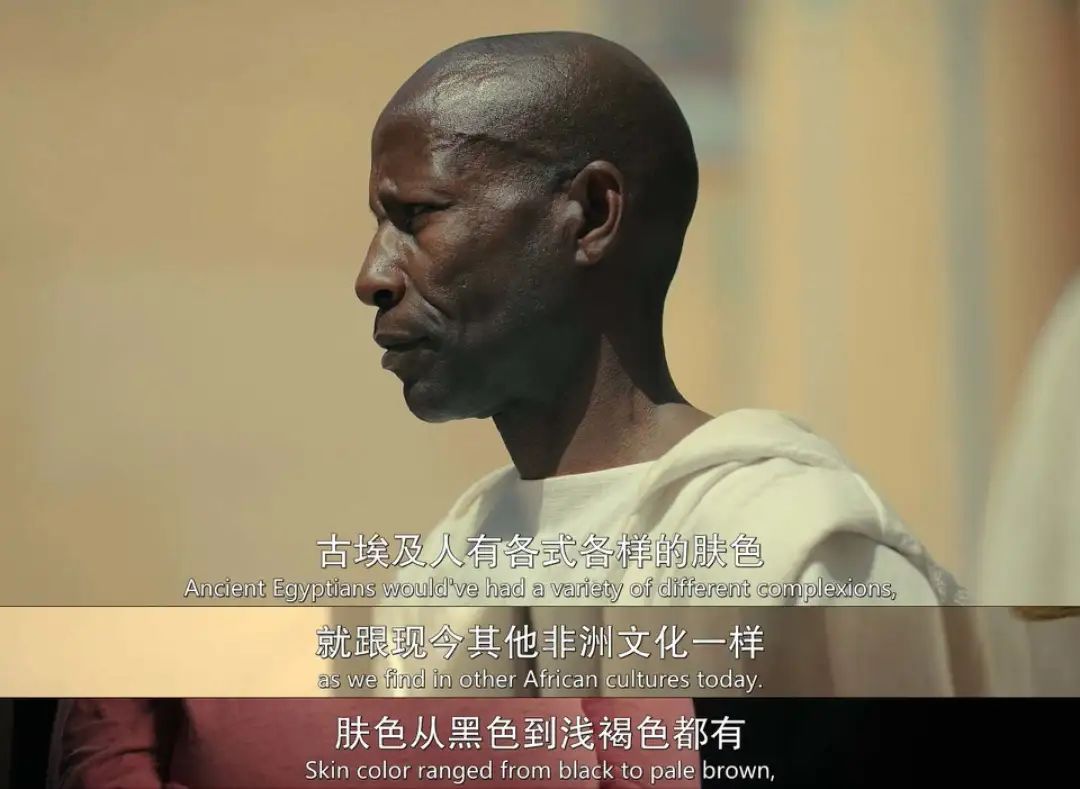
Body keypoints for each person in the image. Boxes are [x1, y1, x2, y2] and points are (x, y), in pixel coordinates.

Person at [361, 31, 987, 698]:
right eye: (379, 225)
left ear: (592, 214)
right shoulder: (438, 587)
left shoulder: (803, 559)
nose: (372, 277)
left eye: (417, 216)